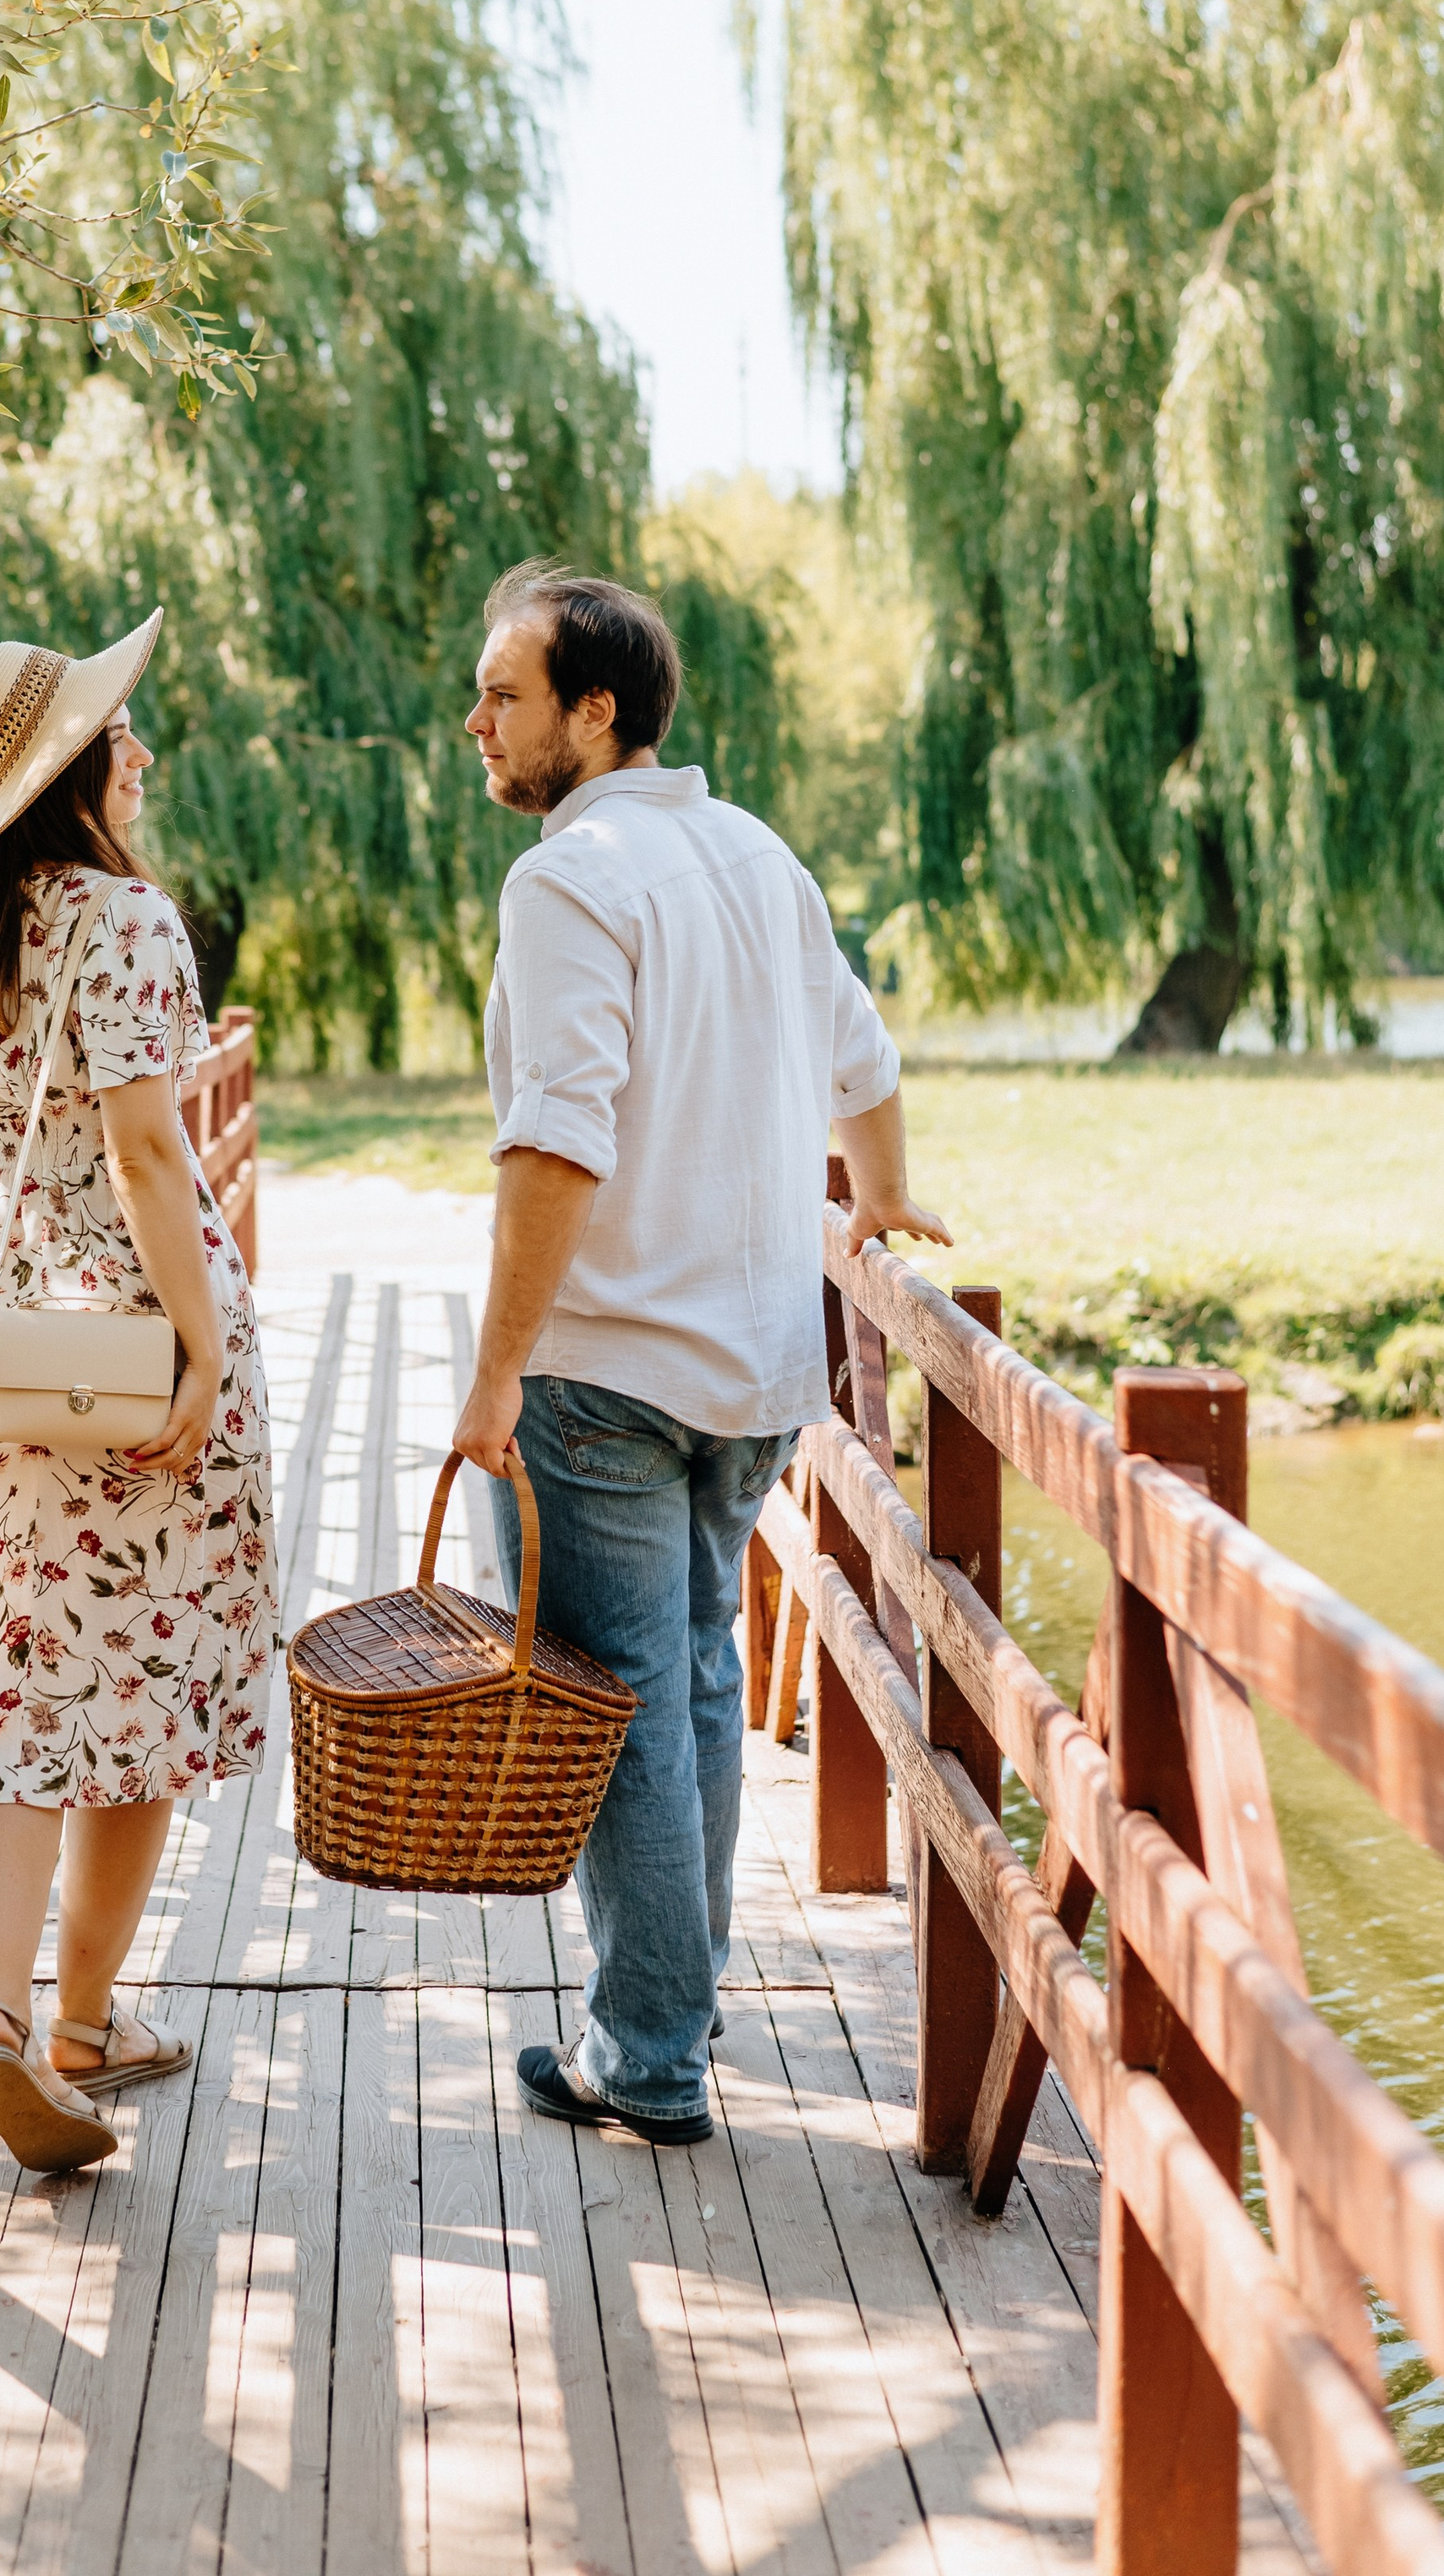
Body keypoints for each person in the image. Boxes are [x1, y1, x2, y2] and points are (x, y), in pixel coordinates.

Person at [450, 562, 949, 2147]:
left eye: (506, 695)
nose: (479, 722)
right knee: (699, 1682)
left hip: (606, 1364)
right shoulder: (760, 858)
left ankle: (651, 2056)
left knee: (629, 1705)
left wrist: (493, 1369)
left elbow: (557, 1142)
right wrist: (879, 1198)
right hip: (750, 1369)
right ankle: (678, 2008)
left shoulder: (569, 881)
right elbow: (861, 1057)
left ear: (596, 713)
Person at [0, 608, 276, 2174]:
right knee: (147, 1668)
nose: (148, 751)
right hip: (122, 1314)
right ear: (82, 770)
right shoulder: (128, 923)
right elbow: (144, 1152)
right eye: (126, 736)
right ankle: (88, 2020)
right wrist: (196, 1346)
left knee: (7, 1662)